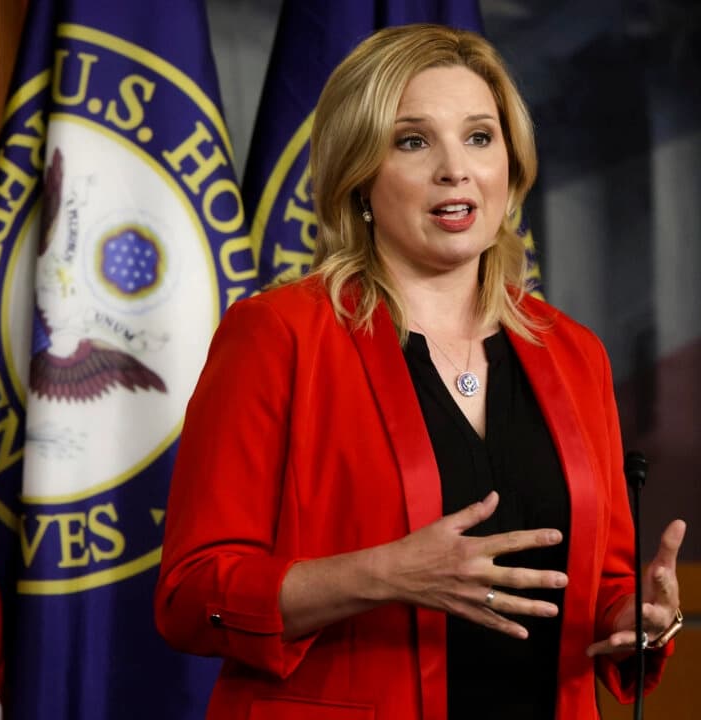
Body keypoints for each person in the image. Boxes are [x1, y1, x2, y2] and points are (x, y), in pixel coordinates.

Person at [154, 23, 686, 720]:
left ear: (510, 166)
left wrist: (635, 615)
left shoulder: (574, 352)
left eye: (479, 137)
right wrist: (385, 575)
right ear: (360, 176)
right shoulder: (279, 336)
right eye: (413, 141)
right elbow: (191, 599)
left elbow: (595, 582)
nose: (455, 169)